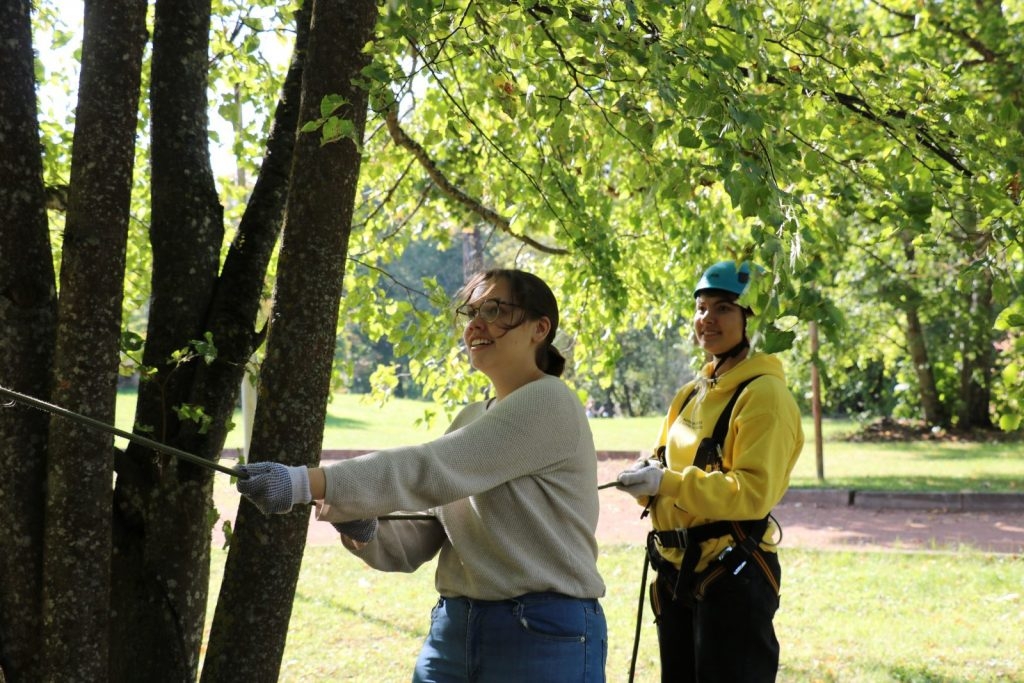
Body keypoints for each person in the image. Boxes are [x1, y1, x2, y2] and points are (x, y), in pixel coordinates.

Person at [237, 268, 608, 683]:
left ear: (540, 328)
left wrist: (307, 482)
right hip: (454, 628)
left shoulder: (549, 401)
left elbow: (429, 468)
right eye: (470, 313)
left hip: (540, 634)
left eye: (494, 309)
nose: (476, 324)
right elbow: (427, 530)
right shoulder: (471, 417)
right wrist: (364, 524)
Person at [614, 260, 804, 682]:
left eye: (722, 308)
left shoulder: (765, 396)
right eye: (701, 308)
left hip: (730, 573)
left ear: (752, 320)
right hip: (676, 570)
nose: (707, 319)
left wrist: (667, 482)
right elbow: (666, 462)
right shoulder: (691, 393)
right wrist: (646, 483)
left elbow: (753, 494)